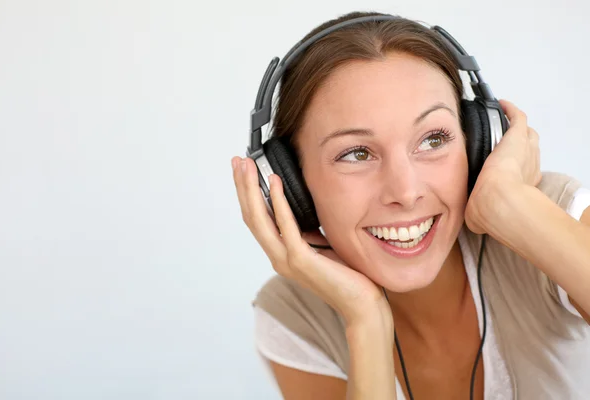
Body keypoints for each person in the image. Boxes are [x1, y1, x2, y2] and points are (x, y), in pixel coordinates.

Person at [231, 11, 590, 400]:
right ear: (290, 183)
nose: (405, 191)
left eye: (434, 139)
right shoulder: (293, 316)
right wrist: (365, 321)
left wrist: (509, 204)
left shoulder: (547, 214)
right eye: (355, 153)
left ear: (480, 140)